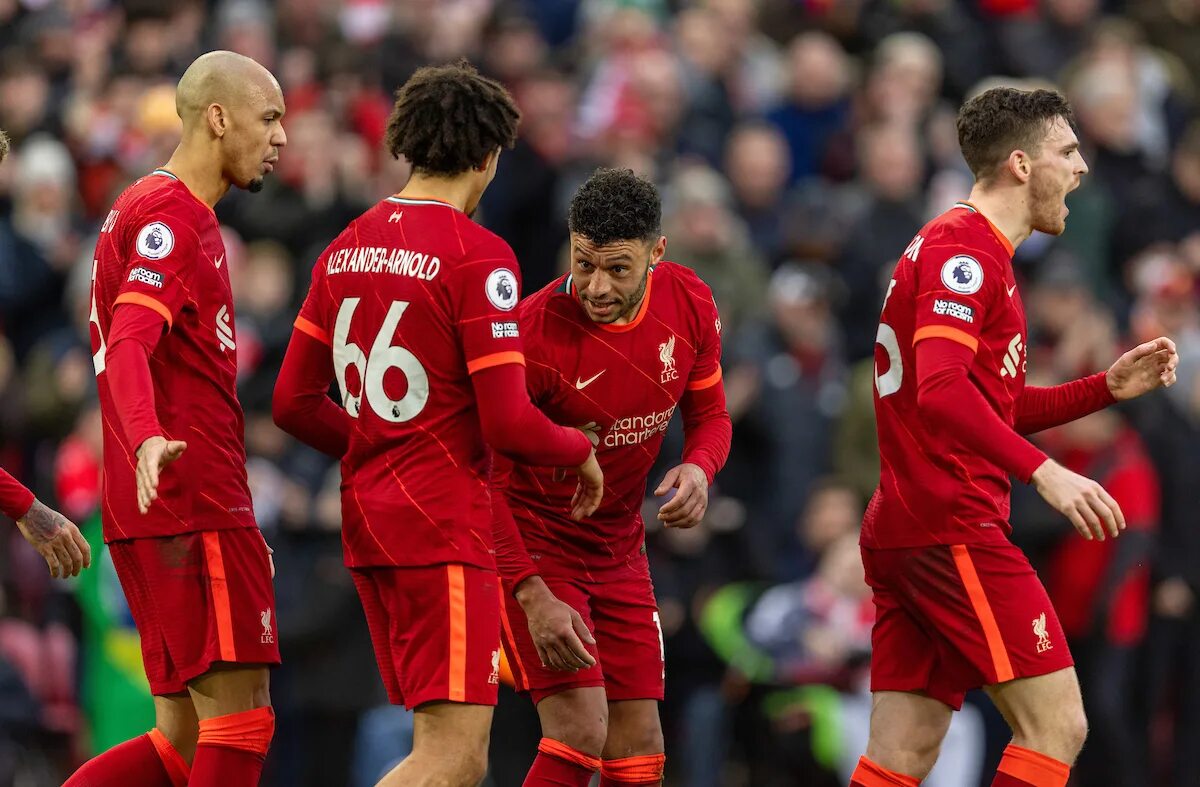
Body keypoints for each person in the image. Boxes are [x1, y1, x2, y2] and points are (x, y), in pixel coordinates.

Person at [271, 60, 604, 787]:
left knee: (438, 744)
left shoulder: (346, 243)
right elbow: (511, 422)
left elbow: (291, 401)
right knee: (453, 756)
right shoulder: (479, 256)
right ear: (487, 156)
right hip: (441, 525)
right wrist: (578, 447)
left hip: (368, 520)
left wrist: (381, 446)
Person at [851, 86, 1178, 787]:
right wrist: (1045, 471)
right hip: (952, 523)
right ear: (1023, 165)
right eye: (1068, 151)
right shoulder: (963, 250)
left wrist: (1100, 388)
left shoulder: (965, 250)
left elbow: (979, 403)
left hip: (912, 524)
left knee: (902, 752)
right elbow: (942, 391)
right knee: (1058, 726)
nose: (1083, 167)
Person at [67, 51, 287, 787]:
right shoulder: (174, 217)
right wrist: (149, 435)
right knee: (242, 721)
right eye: (268, 117)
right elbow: (130, 340)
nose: (281, 137)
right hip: (190, 498)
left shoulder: (135, 208)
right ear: (216, 118)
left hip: (149, 504)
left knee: (182, 738)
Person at [492, 167, 733, 787]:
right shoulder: (532, 335)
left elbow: (710, 415)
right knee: (578, 730)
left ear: (657, 252)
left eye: (617, 269)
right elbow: (481, 481)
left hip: (620, 545)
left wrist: (700, 468)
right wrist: (530, 592)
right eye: (583, 264)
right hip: (534, 544)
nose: (595, 286)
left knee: (641, 748)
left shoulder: (691, 301)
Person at [0, 128, 93, 580]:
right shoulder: (13, 240)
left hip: (75, 355)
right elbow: (10, 295)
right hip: (29, 368)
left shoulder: (79, 231)